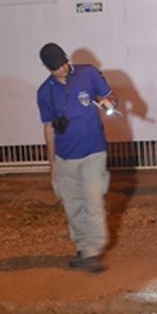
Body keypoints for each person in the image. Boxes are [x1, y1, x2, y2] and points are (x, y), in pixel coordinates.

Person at [36, 42, 117, 273]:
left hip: (93, 151)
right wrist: (52, 165)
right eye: (57, 67)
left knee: (93, 199)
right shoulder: (44, 92)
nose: (63, 69)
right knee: (73, 205)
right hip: (65, 157)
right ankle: (83, 248)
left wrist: (108, 103)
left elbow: (111, 97)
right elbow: (48, 129)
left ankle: (93, 251)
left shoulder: (88, 73)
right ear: (47, 68)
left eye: (64, 62)